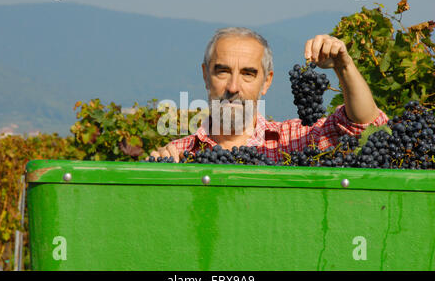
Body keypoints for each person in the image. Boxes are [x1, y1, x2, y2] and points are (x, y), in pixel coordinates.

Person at [147, 27, 388, 163]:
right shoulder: (180, 152)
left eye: (248, 74)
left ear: (267, 82)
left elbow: (366, 127)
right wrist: (161, 170)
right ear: (205, 75)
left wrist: (344, 67)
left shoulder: (294, 141)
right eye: (222, 72)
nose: (233, 87)